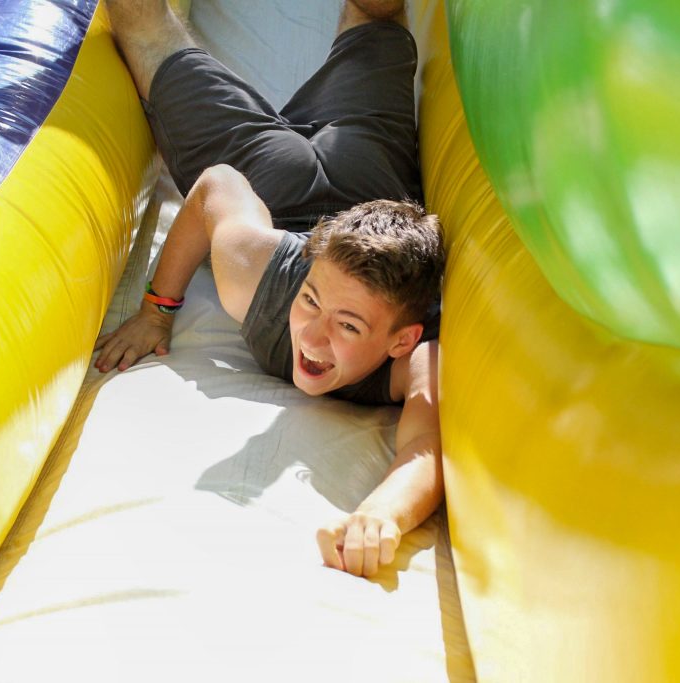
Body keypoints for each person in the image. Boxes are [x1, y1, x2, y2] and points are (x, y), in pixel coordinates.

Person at [97, 0, 444, 579]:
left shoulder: (420, 358)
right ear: (301, 277)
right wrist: (158, 310)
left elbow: (425, 446)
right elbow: (216, 188)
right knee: (141, 27)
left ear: (401, 340)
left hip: (348, 173)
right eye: (311, 302)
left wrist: (383, 512)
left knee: (378, 19)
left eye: (349, 326)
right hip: (302, 178)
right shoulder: (266, 280)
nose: (311, 333)